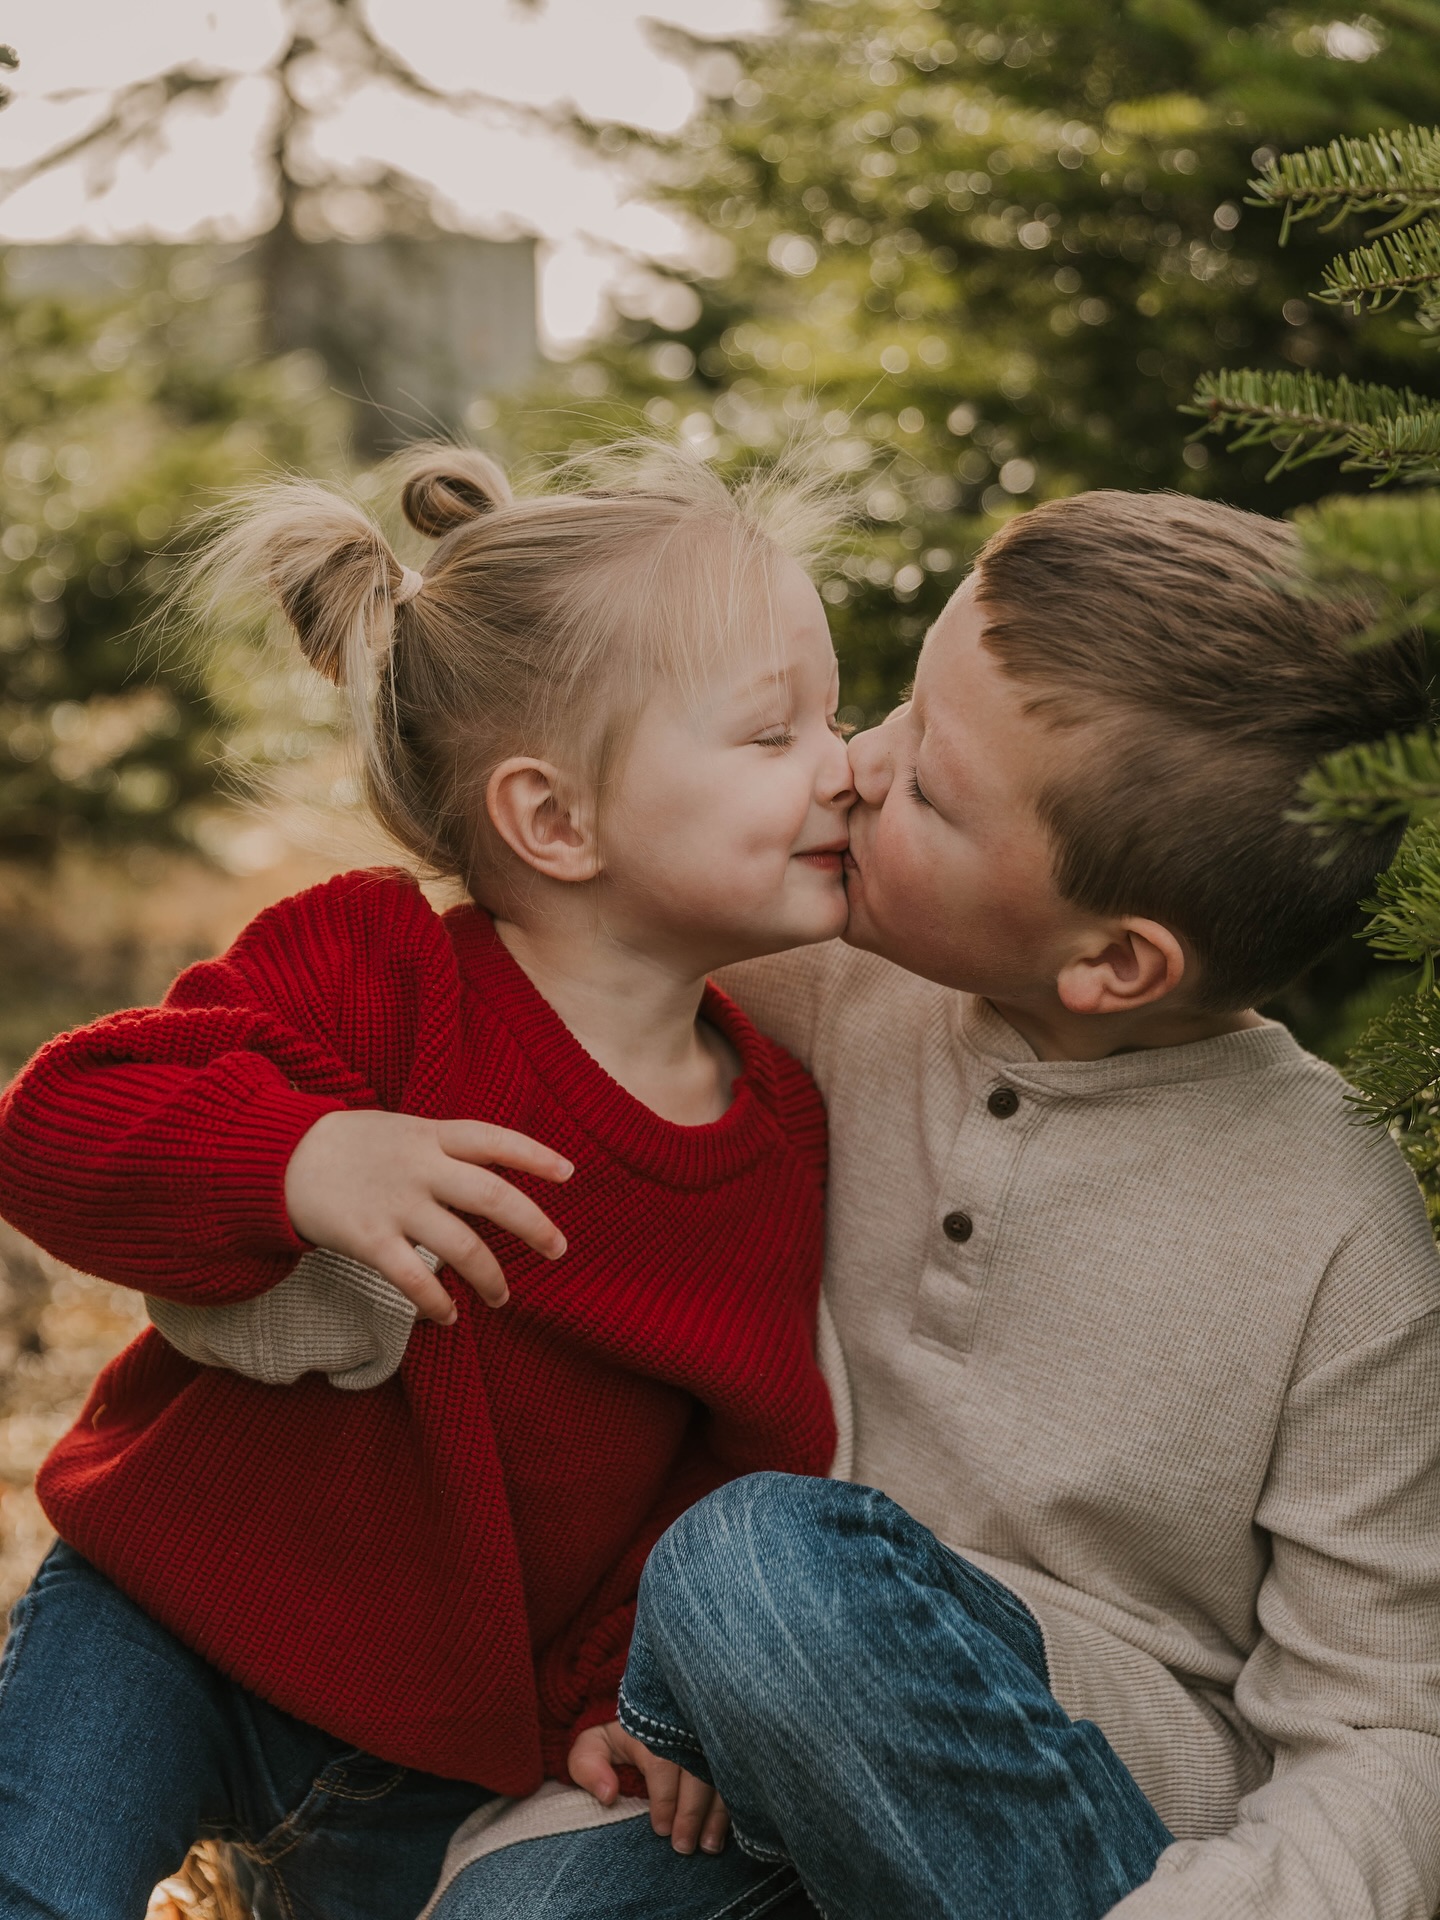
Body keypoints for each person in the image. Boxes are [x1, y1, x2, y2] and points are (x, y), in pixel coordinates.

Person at [197, 490, 1440, 1920]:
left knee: (756, 1563)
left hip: (1085, 1832)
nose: (855, 766)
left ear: (1116, 962)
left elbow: (1388, 1732)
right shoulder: (790, 981)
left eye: (928, 784)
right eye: (893, 708)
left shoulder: (1335, 1225)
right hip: (715, 1782)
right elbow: (531, 931)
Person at [0, 441, 859, 1920]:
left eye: (836, 715)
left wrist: (626, 1694)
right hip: (166, 1619)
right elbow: (58, 1120)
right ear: (556, 821)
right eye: (777, 735)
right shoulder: (378, 970)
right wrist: (298, 1154)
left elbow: (741, 1459)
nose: (848, 762)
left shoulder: (769, 1135)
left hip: (440, 1753)